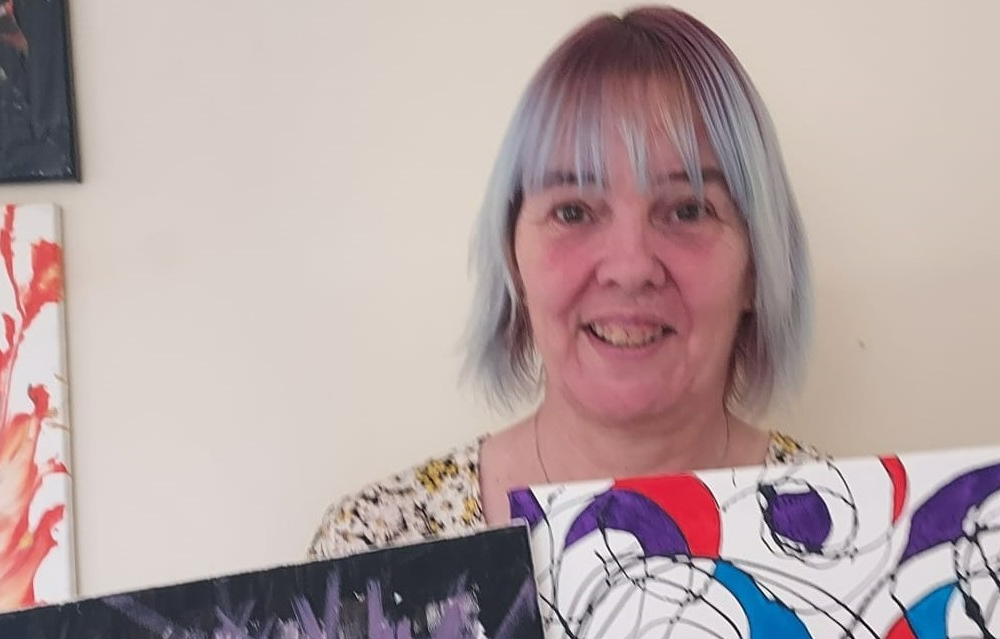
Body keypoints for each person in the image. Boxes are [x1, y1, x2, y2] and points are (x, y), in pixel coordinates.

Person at [309, 5, 823, 560]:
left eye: (689, 209)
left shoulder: (865, 537)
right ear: (513, 257)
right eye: (573, 211)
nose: (630, 267)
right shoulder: (371, 548)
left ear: (757, 265)